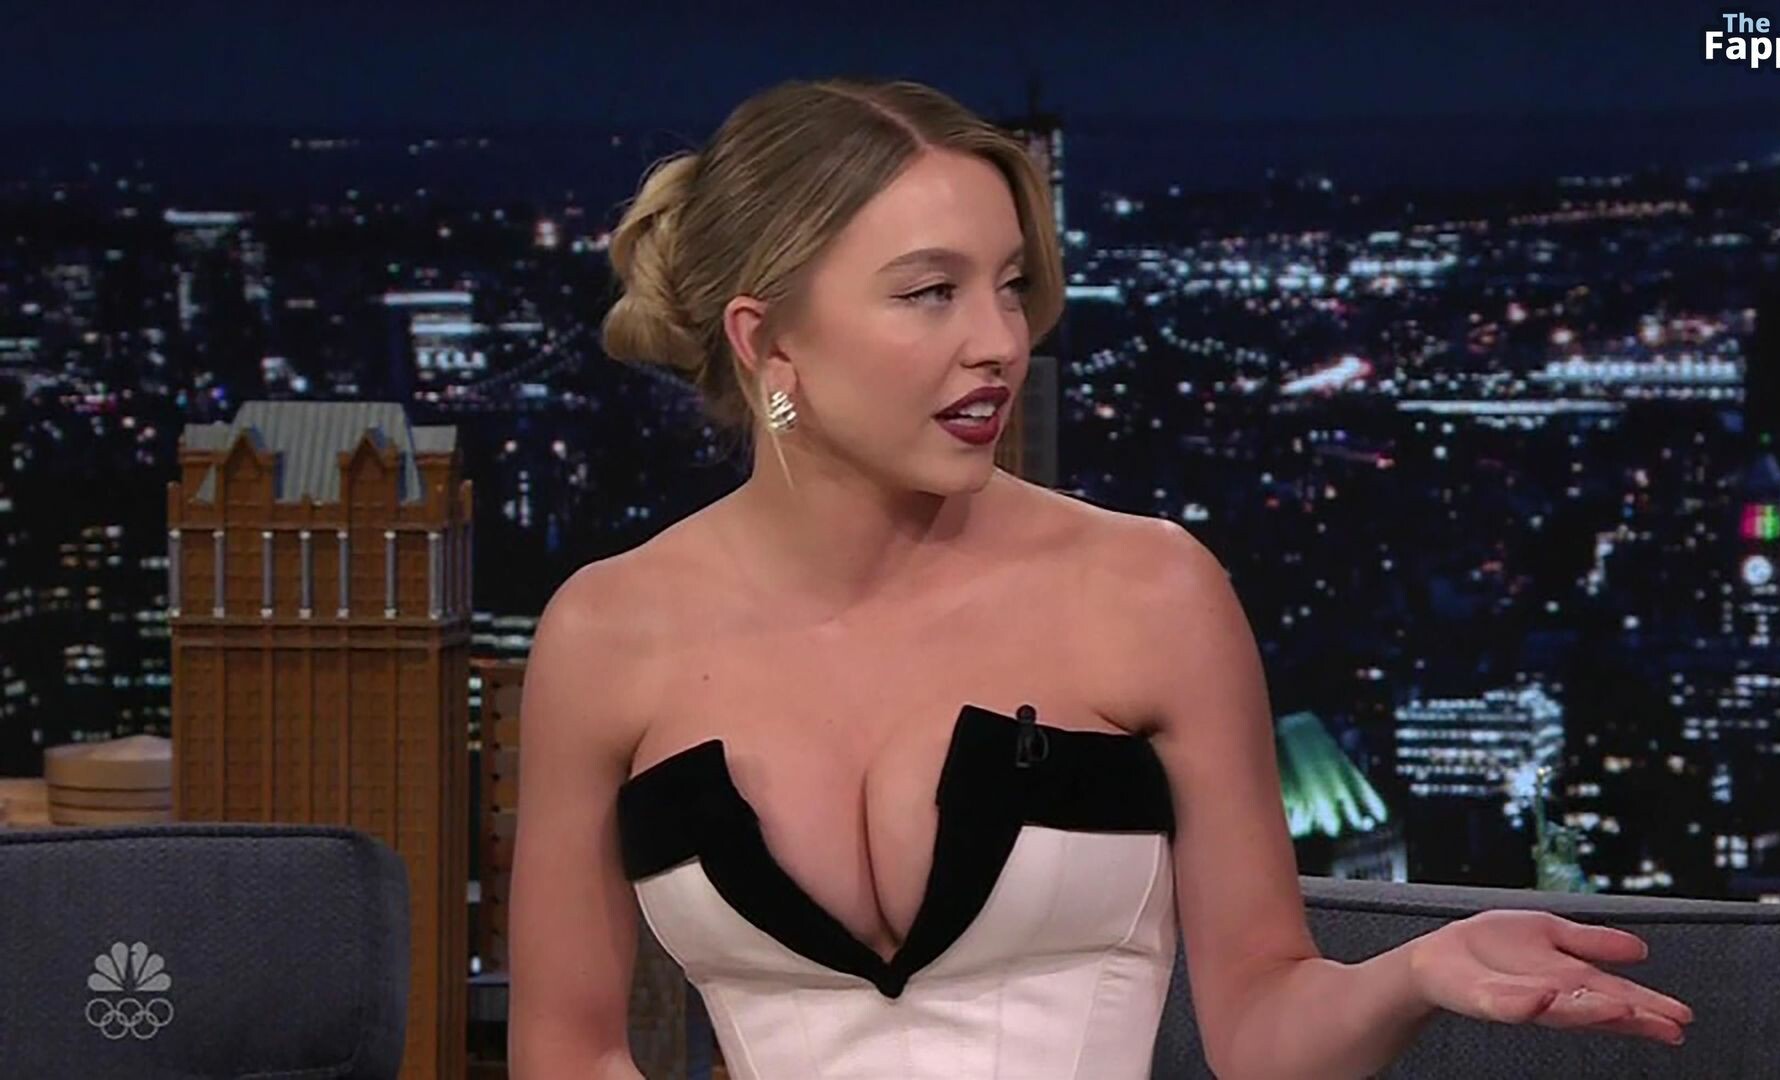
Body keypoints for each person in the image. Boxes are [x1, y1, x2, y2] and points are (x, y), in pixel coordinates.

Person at [506, 76, 1694, 1080]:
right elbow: (569, 1052)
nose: (999, 342)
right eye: (931, 292)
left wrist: (1416, 972)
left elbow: (1262, 1026)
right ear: (768, 342)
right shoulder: (608, 635)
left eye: (1009, 285)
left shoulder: (1151, 593)